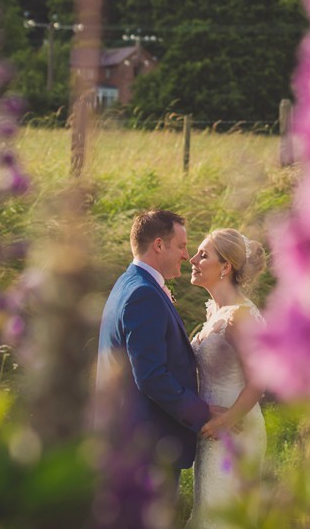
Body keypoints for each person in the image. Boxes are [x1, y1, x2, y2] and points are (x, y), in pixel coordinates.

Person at [96, 209, 224, 506]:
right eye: (181, 246)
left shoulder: (128, 283)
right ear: (158, 245)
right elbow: (151, 376)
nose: (185, 255)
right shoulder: (144, 294)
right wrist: (201, 412)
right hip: (146, 446)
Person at [185, 227, 268, 528]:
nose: (192, 259)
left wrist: (227, 420)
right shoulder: (216, 313)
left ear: (225, 267)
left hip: (235, 430)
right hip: (212, 429)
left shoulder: (240, 316)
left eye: (203, 255)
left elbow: (259, 380)